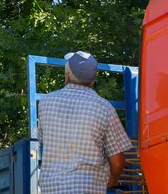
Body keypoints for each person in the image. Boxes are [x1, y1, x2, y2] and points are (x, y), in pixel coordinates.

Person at [38, 51, 132, 194]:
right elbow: (117, 162)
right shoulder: (103, 107)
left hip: (51, 188)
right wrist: (113, 180)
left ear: (67, 76)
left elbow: (43, 139)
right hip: (88, 188)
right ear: (93, 78)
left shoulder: (45, 102)